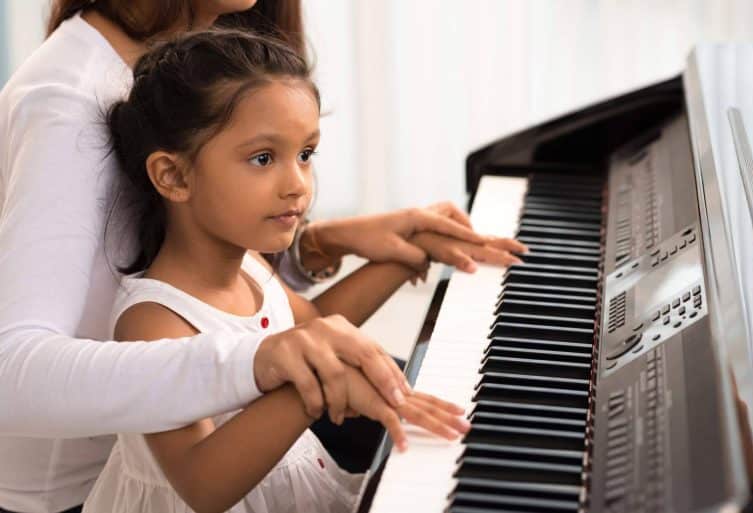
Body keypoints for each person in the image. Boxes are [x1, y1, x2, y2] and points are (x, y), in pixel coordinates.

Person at [0, 1, 526, 511]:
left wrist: (401, 252)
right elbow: (204, 482)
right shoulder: (150, 316)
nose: (298, 184)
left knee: (463, 424)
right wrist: (301, 376)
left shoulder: (245, 264)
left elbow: (307, 320)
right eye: (263, 158)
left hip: (280, 464)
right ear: (171, 175)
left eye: (306, 155)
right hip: (87, 487)